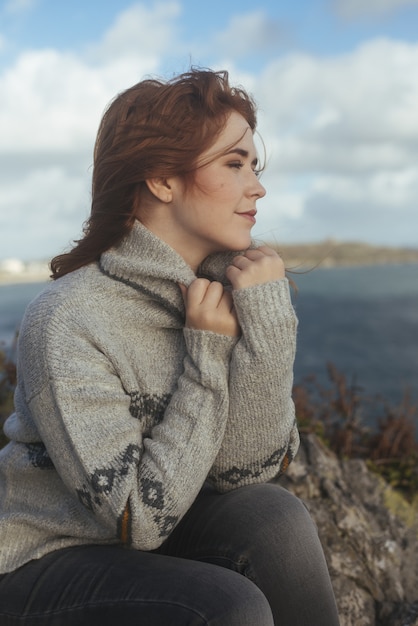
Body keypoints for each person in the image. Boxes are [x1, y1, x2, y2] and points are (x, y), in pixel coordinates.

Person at [0, 68, 340, 625]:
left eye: (255, 166)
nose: (257, 186)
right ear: (162, 179)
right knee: (229, 607)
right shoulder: (69, 319)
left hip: (143, 539)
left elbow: (244, 473)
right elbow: (138, 519)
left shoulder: (218, 293)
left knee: (273, 515)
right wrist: (206, 357)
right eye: (234, 164)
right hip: (40, 560)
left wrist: (268, 326)